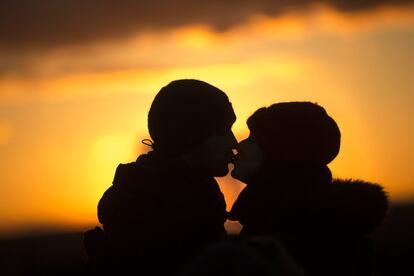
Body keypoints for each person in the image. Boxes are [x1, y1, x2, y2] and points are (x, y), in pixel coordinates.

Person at [84, 79, 237, 274]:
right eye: (222, 131)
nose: (233, 143)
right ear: (190, 135)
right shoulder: (152, 213)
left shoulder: (190, 196)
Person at [229, 102, 388, 276]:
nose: (239, 146)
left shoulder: (309, 238)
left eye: (254, 139)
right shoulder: (283, 219)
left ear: (282, 151)